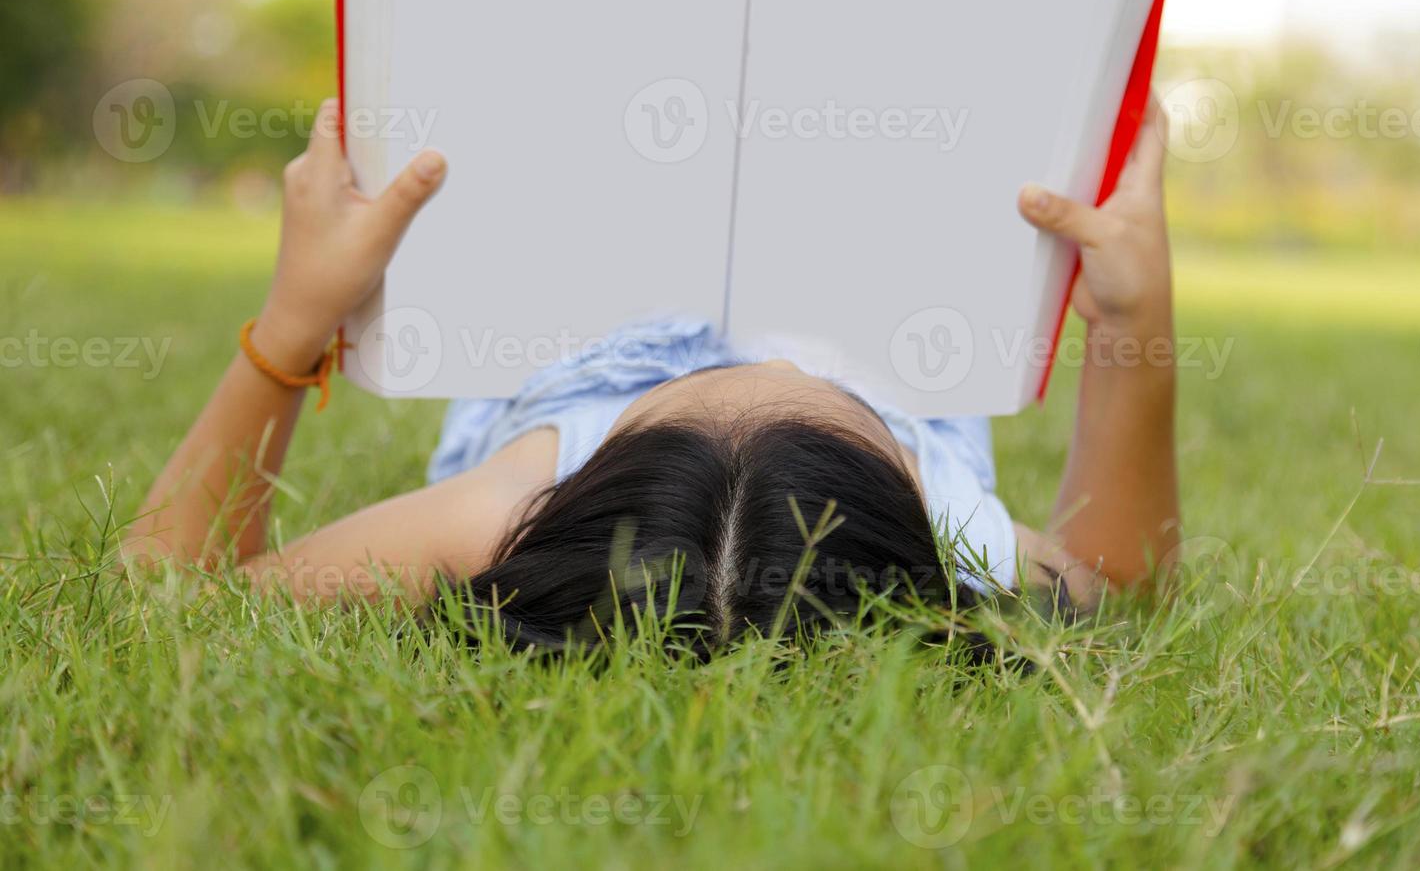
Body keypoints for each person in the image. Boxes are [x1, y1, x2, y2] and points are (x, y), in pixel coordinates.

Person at [121, 97, 1180, 654]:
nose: (747, 346)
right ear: (912, 486)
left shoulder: (496, 514)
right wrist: (1137, 321)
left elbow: (169, 591)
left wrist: (297, 318)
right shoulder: (960, 539)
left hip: (580, 298)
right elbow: (1122, 582)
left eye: (703, 379)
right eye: (821, 381)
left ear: (599, 463)